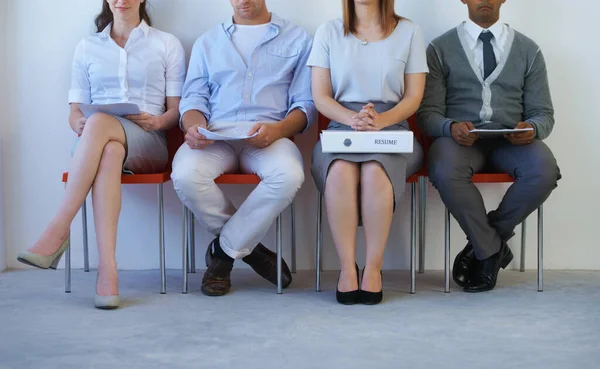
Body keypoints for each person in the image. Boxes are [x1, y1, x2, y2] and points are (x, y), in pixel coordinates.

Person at [17, 0, 186, 309]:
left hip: (148, 141)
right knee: (107, 148)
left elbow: (177, 111)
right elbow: (74, 112)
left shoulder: (166, 44)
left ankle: (58, 229)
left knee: (100, 126)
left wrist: (158, 121)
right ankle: (108, 270)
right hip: (97, 142)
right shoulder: (87, 47)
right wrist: (80, 122)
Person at [171, 0, 315, 297]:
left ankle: (222, 257)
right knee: (185, 174)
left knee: (288, 174)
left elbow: (305, 104)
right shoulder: (207, 41)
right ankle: (251, 251)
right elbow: (193, 99)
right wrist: (193, 126)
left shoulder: (298, 39)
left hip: (269, 137)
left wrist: (278, 130)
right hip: (215, 137)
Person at [418, 0, 560, 293]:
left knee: (544, 170)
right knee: (445, 169)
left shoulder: (528, 50)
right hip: (460, 142)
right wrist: (450, 128)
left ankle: (485, 244)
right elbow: (427, 114)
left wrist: (532, 129)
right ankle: (491, 250)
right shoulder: (439, 48)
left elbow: (543, 114)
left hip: (511, 143)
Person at [308, 0, 428, 305]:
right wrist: (353, 120)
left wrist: (380, 121)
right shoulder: (328, 32)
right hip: (341, 126)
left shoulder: (409, 31)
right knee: (340, 171)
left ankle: (374, 267)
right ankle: (347, 268)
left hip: (393, 128)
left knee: (375, 171)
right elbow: (320, 96)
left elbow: (414, 97)